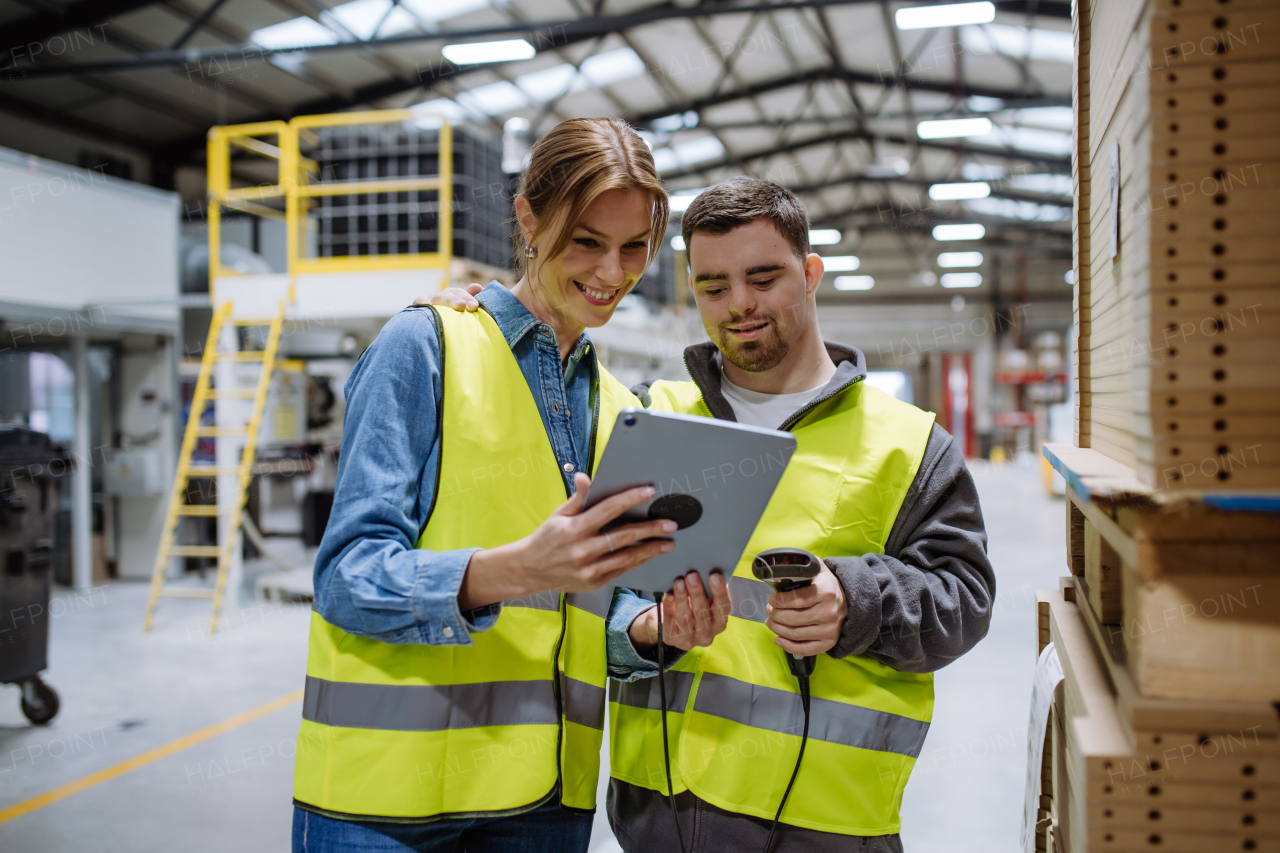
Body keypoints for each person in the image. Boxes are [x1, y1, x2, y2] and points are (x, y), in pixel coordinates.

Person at [428, 176, 995, 852]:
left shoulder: (908, 444)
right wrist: (646, 630)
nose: (740, 306)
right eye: (714, 286)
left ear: (811, 273)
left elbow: (966, 601)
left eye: (764, 278)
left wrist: (853, 598)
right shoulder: (645, 414)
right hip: (662, 823)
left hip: (832, 826)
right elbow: (585, 597)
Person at [292, 117, 729, 853]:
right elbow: (346, 576)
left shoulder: (623, 410)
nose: (611, 273)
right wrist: (516, 569)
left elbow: (600, 611)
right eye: (586, 241)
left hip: (545, 800)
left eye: (633, 249)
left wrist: (653, 631)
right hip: (388, 804)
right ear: (528, 218)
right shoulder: (424, 346)